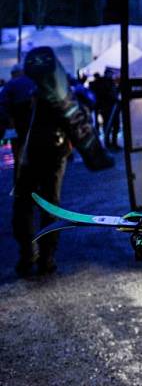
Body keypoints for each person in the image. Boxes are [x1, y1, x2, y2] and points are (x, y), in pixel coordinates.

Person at [0, 59, 70, 276]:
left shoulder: (11, 87)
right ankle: (47, 258)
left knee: (23, 205)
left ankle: (28, 254)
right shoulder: (56, 83)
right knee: (51, 205)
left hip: (26, 154)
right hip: (56, 152)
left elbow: (1, 116)